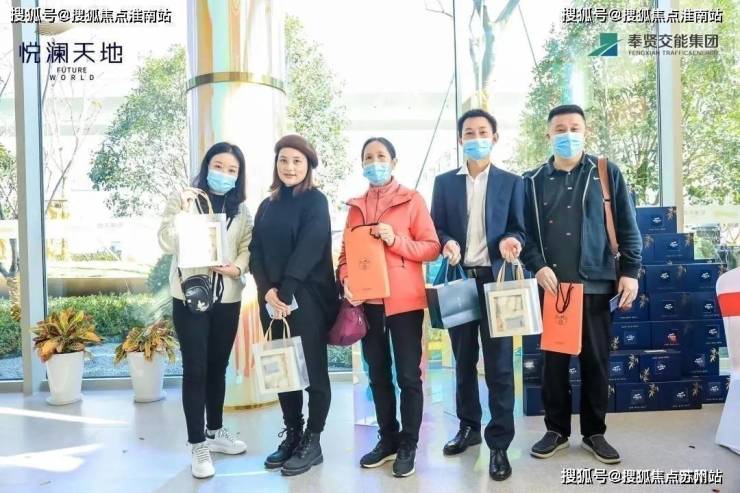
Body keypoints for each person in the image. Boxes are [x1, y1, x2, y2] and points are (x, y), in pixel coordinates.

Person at [520, 104, 642, 464]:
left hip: (595, 285)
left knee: (596, 363)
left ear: (585, 132)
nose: (567, 134)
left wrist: (631, 272)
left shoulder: (605, 172)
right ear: (548, 134)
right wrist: (537, 266)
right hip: (553, 288)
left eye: (574, 127)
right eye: (560, 129)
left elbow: (627, 225)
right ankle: (556, 430)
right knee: (554, 365)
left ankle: (594, 433)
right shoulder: (531, 181)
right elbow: (524, 235)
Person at [430, 108, 525, 482]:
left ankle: (499, 442)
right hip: (460, 281)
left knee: (499, 365)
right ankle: (468, 427)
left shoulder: (511, 182)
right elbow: (436, 227)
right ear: (460, 139)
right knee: (463, 360)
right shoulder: (444, 184)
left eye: (482, 132)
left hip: (496, 282)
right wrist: (447, 242)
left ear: (494, 138)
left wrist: (512, 240)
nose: (475, 138)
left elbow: (519, 227)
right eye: (469, 132)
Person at [338, 137, 440, 478]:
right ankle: (388, 439)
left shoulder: (412, 200)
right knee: (377, 374)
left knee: (409, 376)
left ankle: (409, 443)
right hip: (368, 303)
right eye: (368, 157)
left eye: (381, 156)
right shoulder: (355, 207)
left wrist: (395, 241)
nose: (374, 162)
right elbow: (344, 256)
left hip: (405, 303)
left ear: (394, 162)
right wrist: (346, 280)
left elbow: (431, 247)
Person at [158, 142, 253, 479]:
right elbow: (165, 240)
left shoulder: (241, 209)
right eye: (218, 166)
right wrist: (183, 214)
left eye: (232, 170)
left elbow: (247, 246)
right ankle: (197, 443)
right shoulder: (184, 199)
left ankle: (215, 431)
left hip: (227, 297)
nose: (224, 174)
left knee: (217, 366)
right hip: (190, 295)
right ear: (207, 166)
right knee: (196, 368)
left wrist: (237, 268)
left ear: (239, 175)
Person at [249, 134, 339, 476]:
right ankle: (293, 433)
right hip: (272, 302)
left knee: (313, 374)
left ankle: (313, 441)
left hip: (307, 300)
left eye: (297, 161)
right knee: (282, 371)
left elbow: (310, 247)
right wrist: (267, 291)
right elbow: (256, 251)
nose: (289, 167)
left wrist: (285, 292)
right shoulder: (266, 205)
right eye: (283, 160)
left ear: (308, 166)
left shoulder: (316, 201)